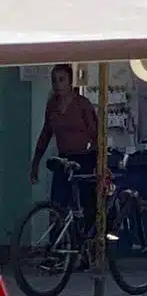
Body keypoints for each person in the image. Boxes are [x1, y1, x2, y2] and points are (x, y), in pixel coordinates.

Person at [29, 64, 101, 213]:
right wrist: (35, 162)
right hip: (64, 159)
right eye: (54, 81)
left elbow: (96, 133)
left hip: (84, 158)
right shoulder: (52, 105)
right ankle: (59, 232)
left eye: (62, 80)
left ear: (70, 82)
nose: (57, 85)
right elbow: (46, 133)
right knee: (57, 203)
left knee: (84, 203)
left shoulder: (82, 104)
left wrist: (98, 162)